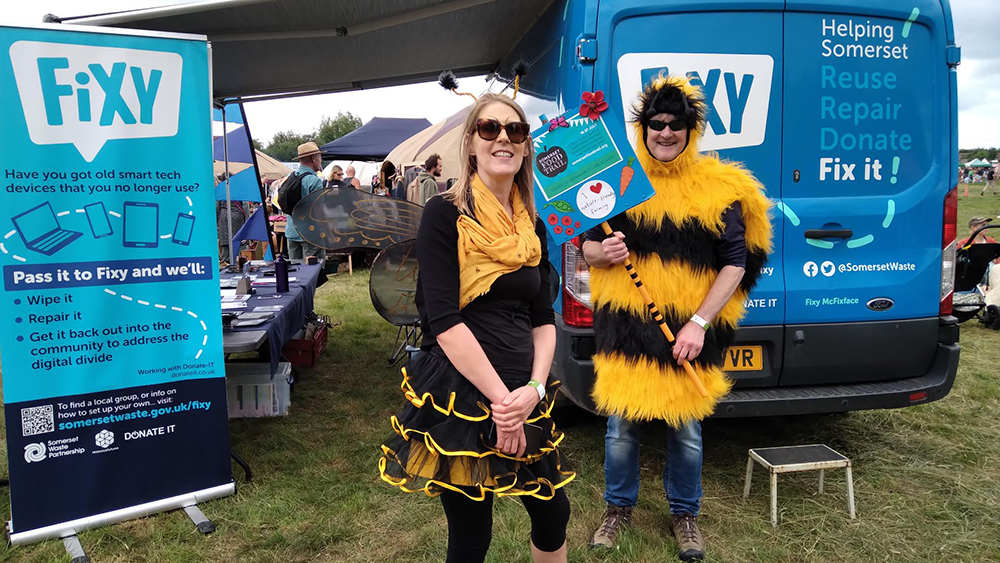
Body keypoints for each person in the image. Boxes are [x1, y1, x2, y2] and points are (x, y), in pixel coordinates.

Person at [379, 93, 574, 563]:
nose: (503, 138)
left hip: (524, 390)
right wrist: (502, 404)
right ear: (470, 144)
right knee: (471, 535)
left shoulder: (533, 225)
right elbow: (443, 322)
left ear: (527, 147)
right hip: (462, 394)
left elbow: (543, 319)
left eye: (515, 130)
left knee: (553, 513)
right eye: (490, 129)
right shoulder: (445, 214)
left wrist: (533, 389)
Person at [583, 76, 772, 561]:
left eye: (676, 125)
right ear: (643, 128)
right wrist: (602, 251)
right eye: (655, 125)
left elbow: (735, 262)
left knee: (686, 426)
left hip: (689, 330)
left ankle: (685, 514)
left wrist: (699, 323)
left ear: (692, 129)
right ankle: (618, 507)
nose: (665, 134)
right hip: (627, 328)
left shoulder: (720, 188)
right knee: (621, 425)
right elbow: (580, 244)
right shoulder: (621, 179)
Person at [284, 141, 327, 263]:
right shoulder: (314, 180)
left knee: (295, 272)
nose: (321, 161)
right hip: (310, 233)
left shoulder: (290, 177)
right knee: (313, 272)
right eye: (319, 157)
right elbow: (319, 210)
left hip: (292, 230)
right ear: (314, 158)